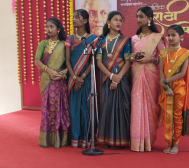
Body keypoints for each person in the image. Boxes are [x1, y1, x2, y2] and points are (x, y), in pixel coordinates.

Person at [130, 6, 166, 152]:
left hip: (151, 75)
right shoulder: (134, 38)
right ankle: (136, 142)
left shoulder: (157, 38)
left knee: (150, 108)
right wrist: (132, 57)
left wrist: (150, 60)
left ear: (150, 18)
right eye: (137, 16)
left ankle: (148, 141)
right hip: (136, 74)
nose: (138, 19)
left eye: (141, 16)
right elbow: (130, 56)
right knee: (137, 105)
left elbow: (163, 58)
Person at [96, 11, 131, 148]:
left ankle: (120, 140)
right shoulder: (101, 41)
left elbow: (127, 63)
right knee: (107, 107)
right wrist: (111, 76)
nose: (118, 23)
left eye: (120, 20)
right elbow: (99, 63)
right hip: (106, 78)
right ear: (108, 22)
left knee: (120, 108)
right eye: (115, 20)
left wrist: (117, 79)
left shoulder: (125, 41)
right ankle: (107, 139)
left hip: (121, 79)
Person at [159, 24, 189, 154]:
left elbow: (182, 73)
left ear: (181, 37)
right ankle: (168, 142)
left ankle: (175, 144)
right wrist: (165, 87)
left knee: (176, 116)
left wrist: (165, 81)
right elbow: (161, 71)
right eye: (168, 35)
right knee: (166, 116)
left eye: (173, 35)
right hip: (165, 88)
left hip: (178, 88)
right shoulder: (163, 53)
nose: (170, 37)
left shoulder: (185, 54)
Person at [35, 17, 70, 148]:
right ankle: (48, 138)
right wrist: (49, 71)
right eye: (47, 27)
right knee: (48, 108)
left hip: (59, 80)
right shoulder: (43, 43)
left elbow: (69, 63)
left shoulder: (64, 44)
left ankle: (61, 138)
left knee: (60, 108)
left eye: (51, 27)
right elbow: (37, 61)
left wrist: (63, 75)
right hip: (47, 79)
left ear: (58, 29)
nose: (49, 29)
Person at [65, 9, 97, 148]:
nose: (73, 19)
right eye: (73, 17)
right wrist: (74, 77)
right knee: (73, 110)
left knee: (86, 110)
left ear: (84, 21)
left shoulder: (93, 39)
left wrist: (82, 77)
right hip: (72, 79)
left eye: (76, 17)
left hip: (86, 79)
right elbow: (67, 60)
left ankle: (86, 139)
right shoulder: (70, 39)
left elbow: (93, 61)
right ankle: (75, 138)